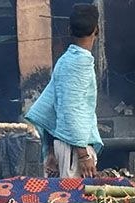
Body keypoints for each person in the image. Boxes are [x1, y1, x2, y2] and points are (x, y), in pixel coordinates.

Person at [25, 3, 102, 179]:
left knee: (62, 199)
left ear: (69, 29)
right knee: (76, 202)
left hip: (65, 145)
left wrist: (51, 149)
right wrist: (83, 155)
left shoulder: (65, 61)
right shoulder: (79, 63)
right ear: (96, 30)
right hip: (75, 149)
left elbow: (52, 107)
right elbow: (70, 110)